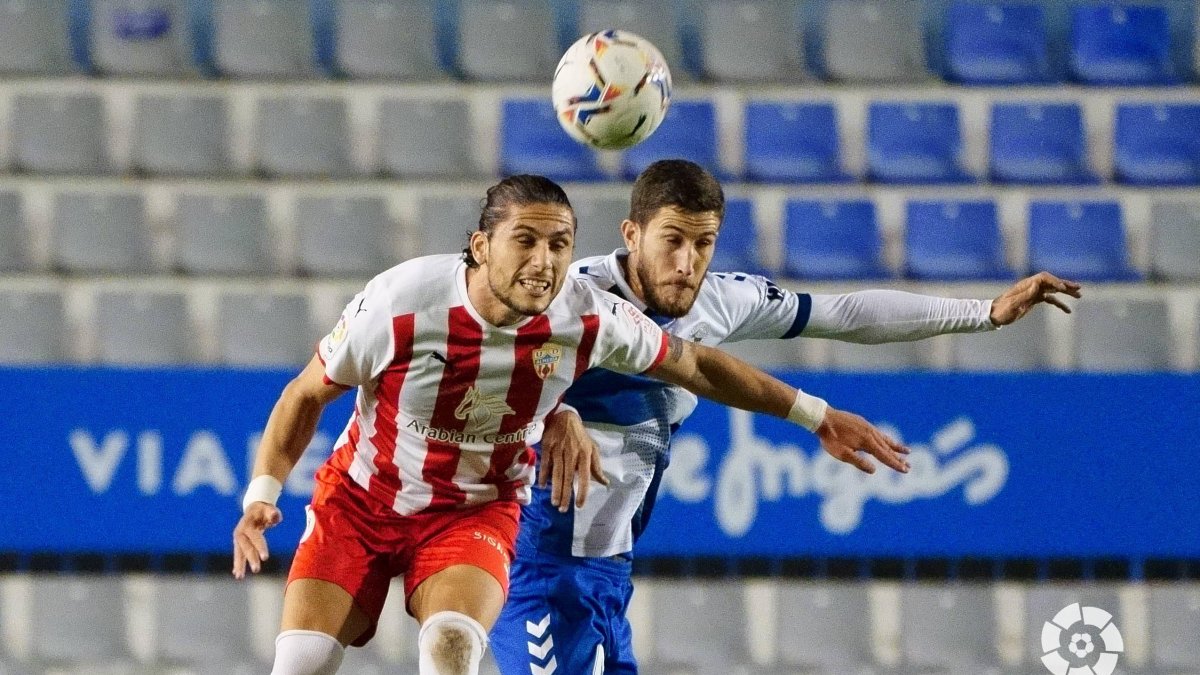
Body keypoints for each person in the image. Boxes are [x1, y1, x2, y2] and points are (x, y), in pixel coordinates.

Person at [231, 174, 909, 675]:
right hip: (362, 499)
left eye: (560, 243)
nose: (545, 260)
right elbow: (304, 394)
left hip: (473, 510)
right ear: (479, 245)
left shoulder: (586, 316)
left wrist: (815, 414)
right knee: (302, 660)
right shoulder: (401, 303)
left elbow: (695, 366)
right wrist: (262, 495)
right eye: (525, 240)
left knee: (451, 649)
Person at [490, 160, 1083, 675]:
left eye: (704, 243)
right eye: (671, 240)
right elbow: (478, 366)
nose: (686, 262)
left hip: (607, 572)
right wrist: (553, 409)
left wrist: (984, 313)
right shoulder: (568, 296)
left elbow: (845, 313)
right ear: (632, 233)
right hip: (537, 566)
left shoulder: (720, 301)